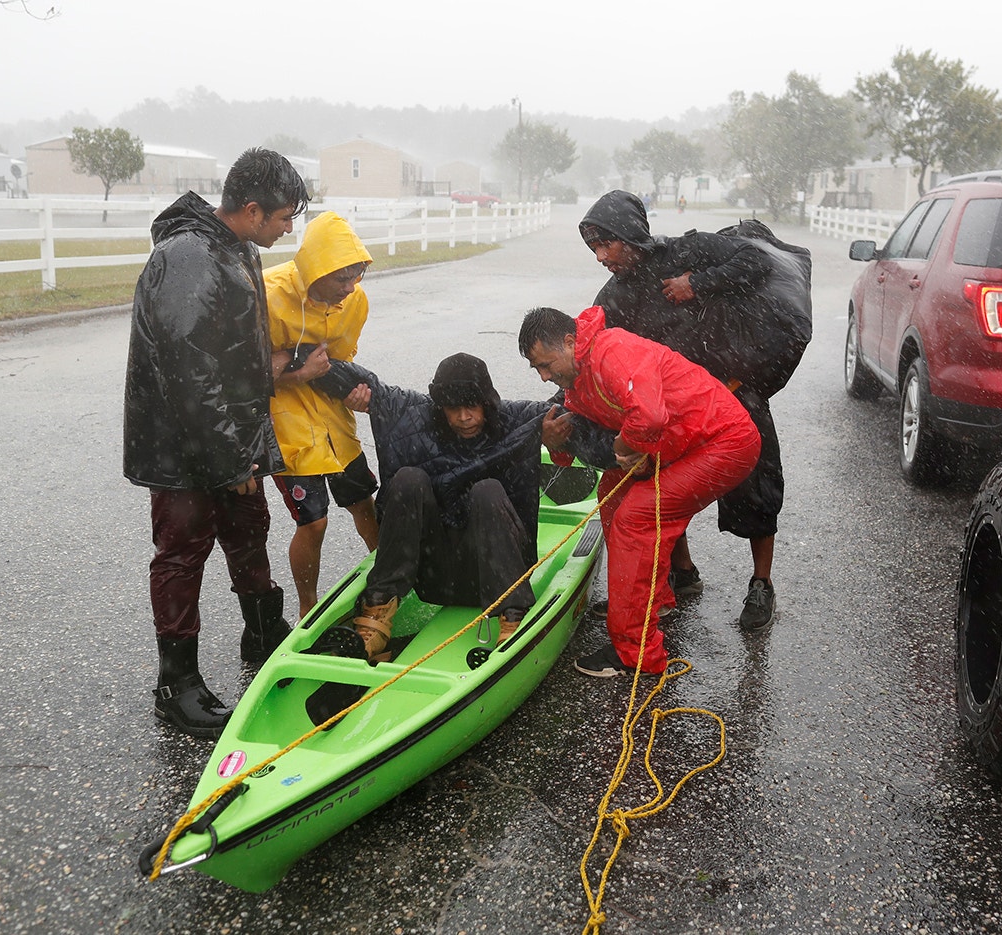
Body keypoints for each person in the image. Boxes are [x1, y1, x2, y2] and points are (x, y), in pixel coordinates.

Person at [122, 148, 309, 738]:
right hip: (183, 446)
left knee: (248, 529)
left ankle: (262, 631)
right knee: (182, 553)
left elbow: (230, 356)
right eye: (283, 218)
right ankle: (176, 685)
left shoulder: (236, 247)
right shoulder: (188, 257)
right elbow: (190, 370)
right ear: (252, 210)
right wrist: (231, 459)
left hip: (231, 435)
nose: (288, 229)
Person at [578, 189, 812, 631]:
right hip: (676, 408)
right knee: (662, 487)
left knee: (757, 487)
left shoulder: (688, 250)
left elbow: (756, 262)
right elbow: (586, 348)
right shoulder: (612, 297)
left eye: (606, 243)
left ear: (630, 236)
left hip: (733, 392)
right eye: (593, 248)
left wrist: (697, 283)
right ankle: (683, 574)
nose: (600, 256)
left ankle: (761, 583)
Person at [519, 306, 761, 677]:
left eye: (547, 365)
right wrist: (554, 443)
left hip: (723, 442)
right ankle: (653, 601)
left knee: (636, 518)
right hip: (680, 446)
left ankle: (636, 653)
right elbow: (573, 444)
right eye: (537, 369)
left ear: (570, 342)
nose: (544, 376)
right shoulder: (576, 378)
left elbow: (648, 418)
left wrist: (625, 446)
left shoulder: (612, 351)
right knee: (613, 493)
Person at [310, 353, 556, 658]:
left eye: (472, 407)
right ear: (440, 406)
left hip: (498, 574)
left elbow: (574, 410)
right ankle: (377, 613)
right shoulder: (414, 415)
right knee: (408, 479)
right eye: (454, 409)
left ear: (487, 403)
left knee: (487, 490)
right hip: (435, 576)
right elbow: (368, 384)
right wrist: (302, 363)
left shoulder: (516, 417)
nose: (464, 417)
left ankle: (513, 616)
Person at [262, 211, 380, 621]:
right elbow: (240, 376)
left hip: (333, 419)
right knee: (313, 522)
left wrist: (355, 393)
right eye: (340, 280)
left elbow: (341, 361)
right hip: (286, 420)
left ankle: (390, 585)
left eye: (355, 276)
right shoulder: (267, 294)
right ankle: (307, 607)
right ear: (315, 272)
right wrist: (298, 373)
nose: (349, 289)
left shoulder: (356, 300)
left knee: (364, 501)